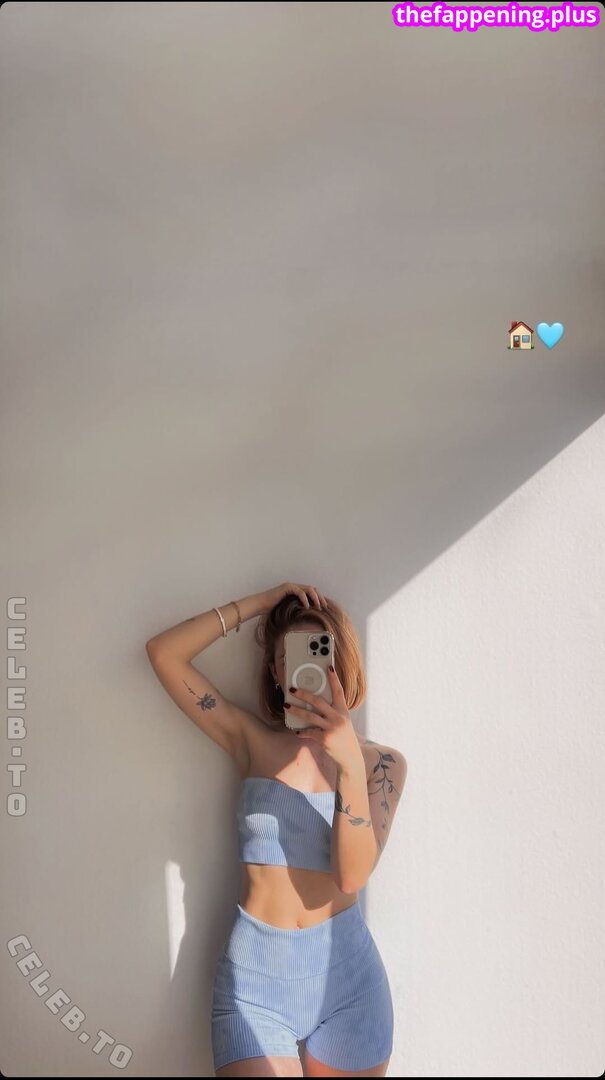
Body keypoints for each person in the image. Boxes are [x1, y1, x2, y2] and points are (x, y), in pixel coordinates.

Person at [145, 582, 407, 1078]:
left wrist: (348, 762)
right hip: (255, 983)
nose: (305, 668)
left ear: (341, 664)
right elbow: (164, 654)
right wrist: (259, 604)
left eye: (319, 651)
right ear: (275, 670)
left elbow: (351, 876)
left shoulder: (382, 763)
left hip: (350, 982)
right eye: (290, 655)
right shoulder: (251, 740)